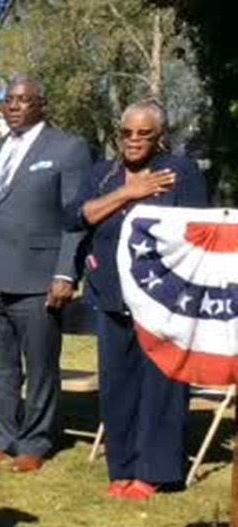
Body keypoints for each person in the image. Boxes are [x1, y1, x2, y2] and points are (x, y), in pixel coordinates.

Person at [0, 76, 92, 473]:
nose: (14, 107)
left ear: (41, 105)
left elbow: (75, 219)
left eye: (24, 100)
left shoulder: (67, 149)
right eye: (9, 100)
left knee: (41, 366)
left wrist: (66, 273)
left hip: (39, 279)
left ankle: (35, 441)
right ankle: (3, 437)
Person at [70, 100, 208, 500]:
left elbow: (197, 231)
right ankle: (122, 466)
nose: (133, 140)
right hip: (111, 292)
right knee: (117, 384)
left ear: (159, 135)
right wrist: (128, 192)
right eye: (126, 132)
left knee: (160, 384)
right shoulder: (102, 173)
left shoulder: (180, 173)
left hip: (165, 298)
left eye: (143, 133)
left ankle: (153, 471)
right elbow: (76, 217)